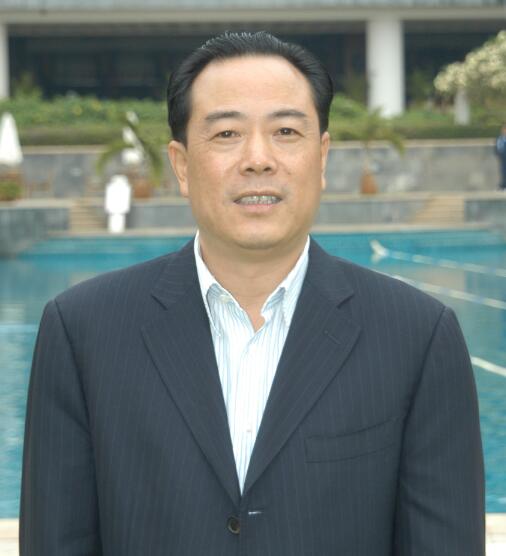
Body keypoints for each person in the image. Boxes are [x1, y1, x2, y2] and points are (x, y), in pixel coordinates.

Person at [20, 32, 485, 555]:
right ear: (181, 164)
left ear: (322, 156)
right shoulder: (83, 331)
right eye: (227, 134)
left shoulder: (417, 336)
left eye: (286, 131)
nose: (258, 159)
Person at [495, 124, 506, 190]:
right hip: (502, 158)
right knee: (503, 171)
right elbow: (497, 148)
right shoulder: (499, 139)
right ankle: (503, 185)